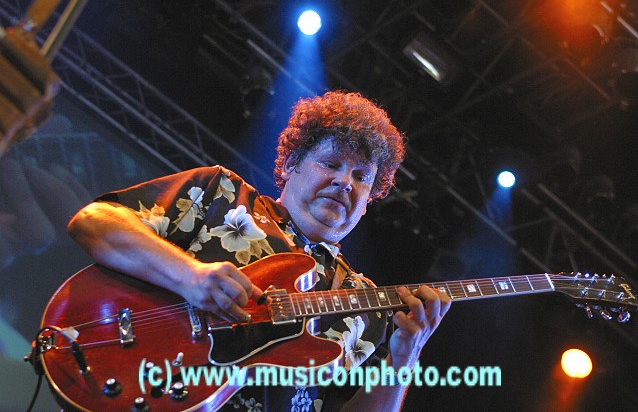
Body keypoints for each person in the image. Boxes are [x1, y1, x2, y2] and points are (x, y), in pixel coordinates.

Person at [67, 90, 451, 411]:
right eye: (331, 163)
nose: (344, 182)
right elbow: (94, 221)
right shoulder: (223, 193)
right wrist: (189, 276)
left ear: (369, 201)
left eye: (361, 176)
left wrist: (405, 358)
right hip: (137, 380)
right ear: (292, 164)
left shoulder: (368, 308)